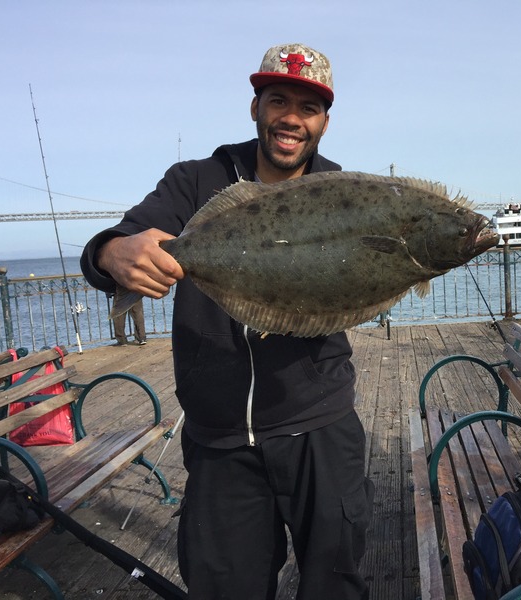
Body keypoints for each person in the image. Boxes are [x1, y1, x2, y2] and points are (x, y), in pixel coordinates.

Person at [80, 43, 373, 599]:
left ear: (325, 123)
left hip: (320, 426)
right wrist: (110, 254)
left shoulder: (345, 193)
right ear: (255, 107)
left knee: (336, 584)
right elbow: (122, 240)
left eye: (307, 108)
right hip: (219, 441)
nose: (291, 118)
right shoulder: (195, 182)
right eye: (278, 100)